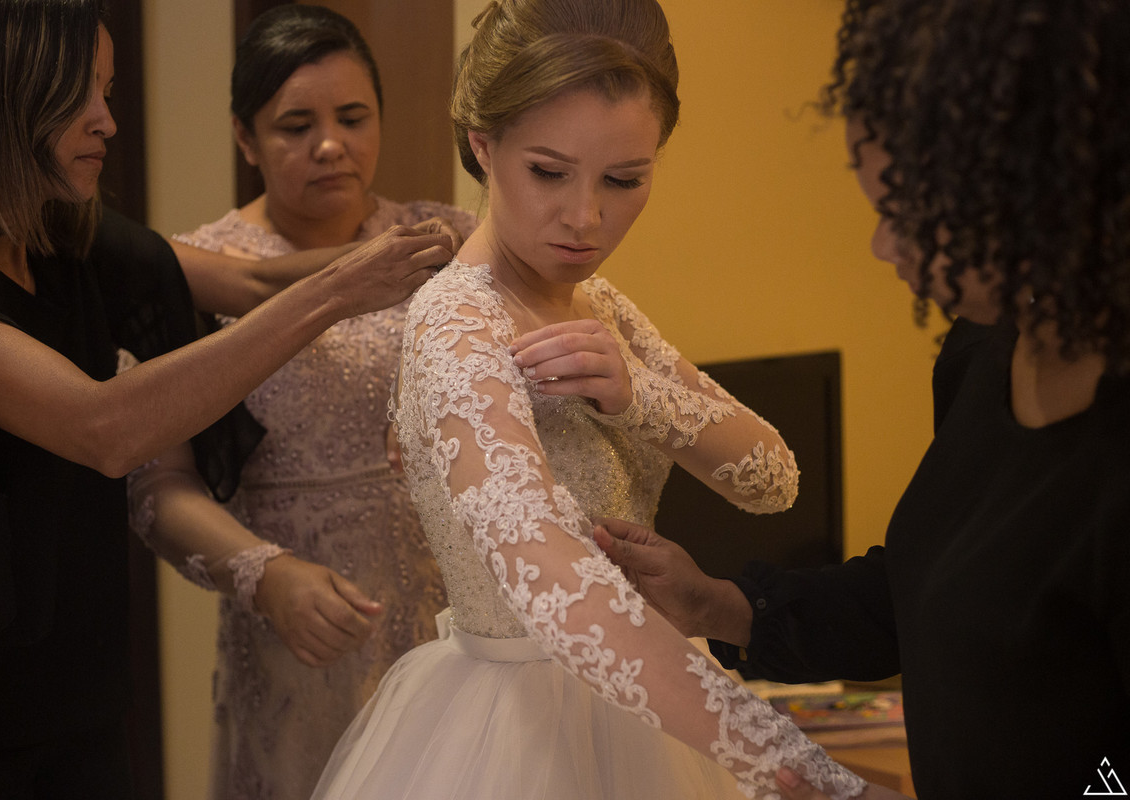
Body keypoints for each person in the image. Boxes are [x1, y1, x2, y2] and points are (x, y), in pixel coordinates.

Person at [309, 1, 907, 798]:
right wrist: (792, 764)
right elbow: (551, 585)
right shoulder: (457, 321)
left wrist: (638, 399)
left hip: (652, 703)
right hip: (510, 736)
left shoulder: (605, 309)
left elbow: (771, 478)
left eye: (625, 179)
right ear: (483, 146)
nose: (585, 217)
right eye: (549, 172)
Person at [595, 0, 1130, 798]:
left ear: (1041, 185)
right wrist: (721, 605)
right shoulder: (982, 356)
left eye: (912, 213)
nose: (884, 245)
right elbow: (924, 587)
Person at [0, 1, 454, 797]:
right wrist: (341, 292)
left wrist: (435, 249)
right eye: (84, 94)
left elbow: (244, 280)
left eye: (109, 92)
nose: (109, 122)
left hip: (83, 675)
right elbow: (104, 427)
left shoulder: (65, 230)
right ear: (6, 95)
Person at [125, 6, 477, 799]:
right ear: (246, 140)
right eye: (295, 125)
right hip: (300, 637)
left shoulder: (444, 244)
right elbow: (155, 486)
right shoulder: (195, 276)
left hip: (451, 624)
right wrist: (266, 573)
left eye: (354, 117)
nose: (331, 145)